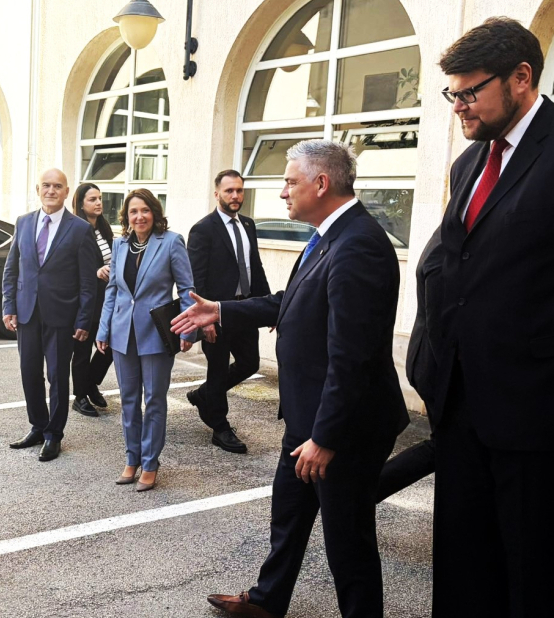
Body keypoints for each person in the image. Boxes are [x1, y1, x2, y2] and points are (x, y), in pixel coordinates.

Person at [173, 140, 407, 618]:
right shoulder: (327, 237)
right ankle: (265, 602)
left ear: (321, 183)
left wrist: (325, 437)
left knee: (348, 543)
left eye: (289, 181)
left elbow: (352, 357)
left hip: (340, 430)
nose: (281, 192)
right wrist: (220, 308)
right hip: (308, 418)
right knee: (290, 517)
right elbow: (287, 301)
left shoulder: (358, 244)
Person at [429, 18, 554, 617]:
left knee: (538, 587)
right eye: (451, 93)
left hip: (551, 429)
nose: (459, 106)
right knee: (464, 578)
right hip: (464, 417)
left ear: (522, 78)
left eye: (469, 91)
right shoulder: (468, 165)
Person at [96, 189, 196, 492]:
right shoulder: (120, 243)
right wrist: (103, 330)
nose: (139, 217)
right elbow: (113, 290)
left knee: (153, 400)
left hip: (156, 334)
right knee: (128, 400)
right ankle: (132, 458)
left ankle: (150, 463)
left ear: (154, 212)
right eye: (133, 211)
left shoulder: (171, 242)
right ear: (126, 216)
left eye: (145, 211)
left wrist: (188, 330)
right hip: (122, 334)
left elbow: (187, 289)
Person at [3, 169, 98, 462]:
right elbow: (12, 268)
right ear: (38, 188)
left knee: (57, 377)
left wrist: (84, 320)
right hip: (27, 314)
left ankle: (54, 435)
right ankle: (38, 426)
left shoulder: (80, 229)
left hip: (62, 317)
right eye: (46, 185)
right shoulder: (23, 222)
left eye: (57, 186)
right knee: (29, 374)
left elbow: (88, 281)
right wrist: (9, 306)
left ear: (67, 192)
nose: (51, 191)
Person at [185, 170, 271, 454]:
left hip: (244, 309)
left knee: (250, 363)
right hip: (216, 313)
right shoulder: (203, 229)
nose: (235, 196)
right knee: (218, 368)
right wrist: (204, 320)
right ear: (217, 194)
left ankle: (204, 394)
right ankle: (219, 426)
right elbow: (196, 278)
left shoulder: (248, 224)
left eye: (239, 190)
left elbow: (254, 267)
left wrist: (269, 308)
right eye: (229, 191)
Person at [375, 227, 441, 502]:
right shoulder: (451, 239)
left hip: (428, 360)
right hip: (434, 364)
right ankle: (363, 494)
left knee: (446, 446)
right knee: (443, 445)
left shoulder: (446, 234)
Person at [71, 182, 114, 417]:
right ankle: (80, 396)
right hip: (85, 300)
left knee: (110, 344)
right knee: (82, 349)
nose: (98, 203)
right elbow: (72, 267)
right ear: (80, 204)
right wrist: (96, 272)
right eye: (92, 199)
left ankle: (90, 383)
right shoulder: (76, 230)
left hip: (106, 298)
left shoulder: (104, 228)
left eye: (99, 198)